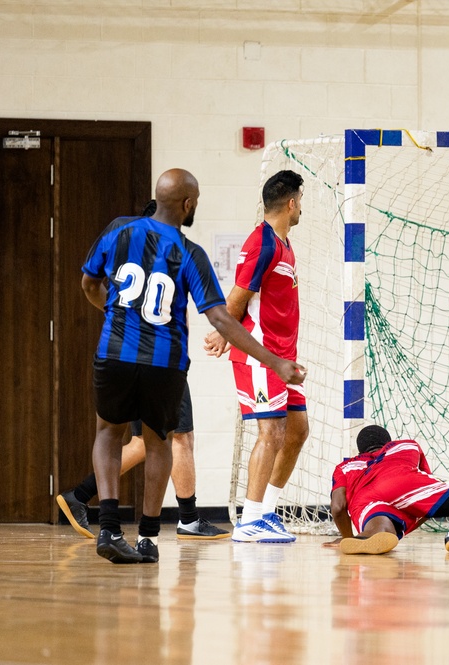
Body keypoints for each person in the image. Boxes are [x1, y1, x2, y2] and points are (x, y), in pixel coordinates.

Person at [82, 168, 305, 564]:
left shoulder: (118, 232)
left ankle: (110, 528)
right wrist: (273, 360)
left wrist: (112, 312)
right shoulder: (189, 252)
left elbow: (88, 283)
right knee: (159, 442)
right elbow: (220, 317)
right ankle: (149, 538)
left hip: (114, 352)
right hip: (162, 361)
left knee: (108, 434)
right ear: (187, 205)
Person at [203, 170, 309, 544]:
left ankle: (266, 512)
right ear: (292, 203)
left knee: (298, 431)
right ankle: (248, 521)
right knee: (271, 432)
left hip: (285, 359)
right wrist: (222, 332)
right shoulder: (262, 242)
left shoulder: (284, 242)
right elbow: (238, 296)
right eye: (301, 200)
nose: (301, 208)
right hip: (261, 357)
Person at [56, 382, 230, 541]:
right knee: (179, 436)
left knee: (144, 443)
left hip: (135, 365)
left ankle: (80, 494)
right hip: (159, 361)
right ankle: (188, 520)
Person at [327, 425, 449, 555]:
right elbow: (424, 495)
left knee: (382, 527)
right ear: (388, 441)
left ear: (360, 450)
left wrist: (346, 536)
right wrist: (414, 516)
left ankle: (368, 535)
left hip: (365, 499)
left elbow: (338, 507)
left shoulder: (345, 466)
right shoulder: (406, 445)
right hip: (405, 482)